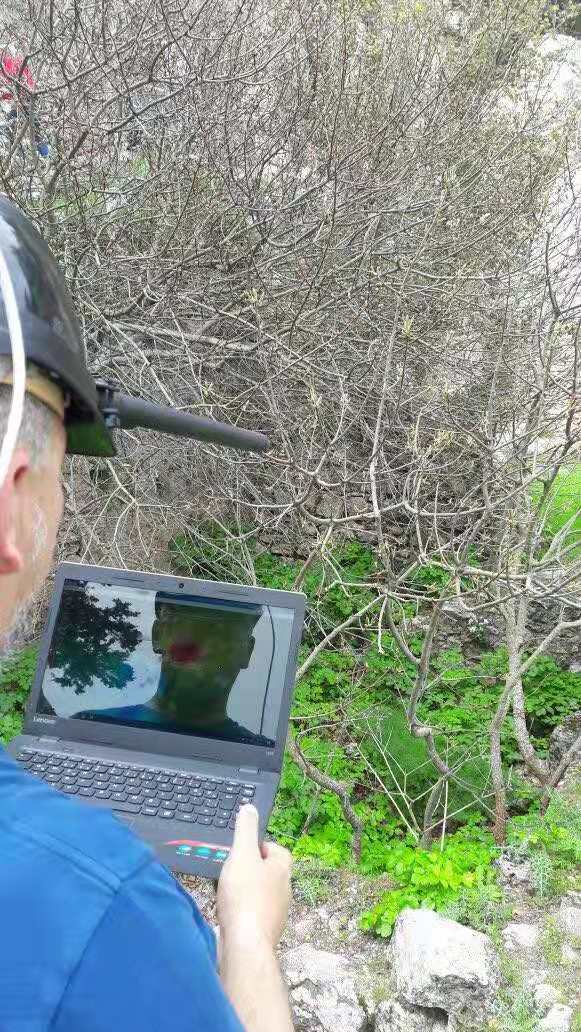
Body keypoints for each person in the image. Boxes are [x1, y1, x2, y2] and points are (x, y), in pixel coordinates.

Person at [0, 196, 294, 1032]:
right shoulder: (98, 903)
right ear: (11, 498)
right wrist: (247, 935)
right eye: (60, 474)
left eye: (227, 640)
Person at [72, 592, 274, 746]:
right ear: (158, 635)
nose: (204, 649)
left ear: (247, 652)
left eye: (223, 635)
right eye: (189, 629)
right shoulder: (86, 729)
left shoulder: (257, 754)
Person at [0, 45, 50, 157]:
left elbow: (13, 85)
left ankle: (42, 155)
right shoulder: (16, 60)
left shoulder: (12, 62)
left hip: (23, 100)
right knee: (30, 130)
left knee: (27, 129)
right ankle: (40, 154)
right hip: (23, 99)